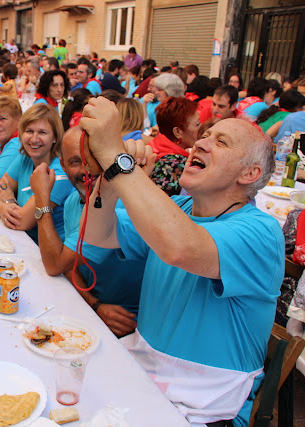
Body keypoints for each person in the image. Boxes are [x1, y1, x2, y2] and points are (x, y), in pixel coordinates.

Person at [79, 97, 282, 426]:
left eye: (221, 141)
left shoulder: (261, 232)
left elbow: (181, 248)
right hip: (141, 382)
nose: (202, 142)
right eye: (205, 135)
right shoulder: (178, 211)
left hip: (204, 410)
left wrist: (117, 158)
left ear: (250, 173)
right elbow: (97, 234)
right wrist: (111, 176)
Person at [29, 126, 143, 336]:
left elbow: (55, 263)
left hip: (129, 325)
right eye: (75, 161)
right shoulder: (74, 200)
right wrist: (94, 304)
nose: (85, 169)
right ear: (62, 165)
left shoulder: (115, 206)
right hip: (93, 311)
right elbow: (69, 266)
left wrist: (42, 198)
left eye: (93, 159)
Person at [0, 103, 75, 243]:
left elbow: (20, 222)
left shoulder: (58, 174)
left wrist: (0, 206)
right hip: (23, 240)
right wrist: (9, 202)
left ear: (55, 137)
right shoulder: (25, 157)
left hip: (48, 250)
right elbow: (2, 184)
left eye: (42, 132)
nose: (34, 139)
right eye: (29, 131)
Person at [148, 97, 201, 196]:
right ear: (178, 132)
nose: (201, 128)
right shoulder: (176, 163)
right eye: (197, 124)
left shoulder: (155, 147)